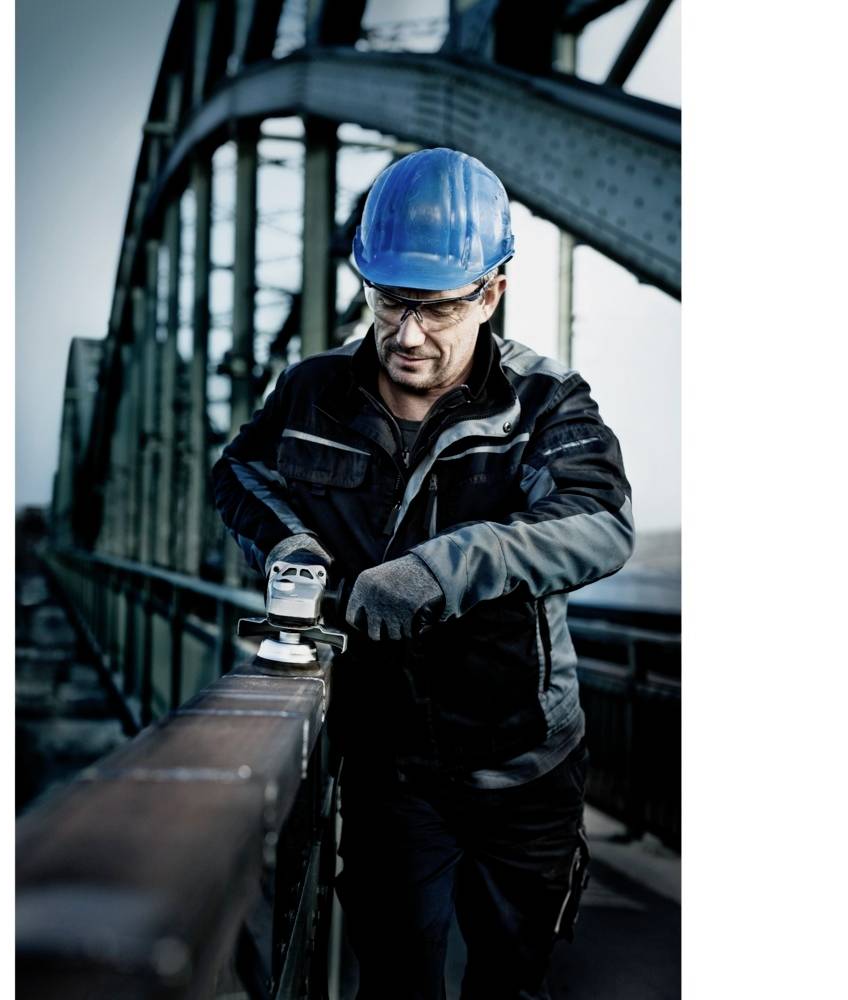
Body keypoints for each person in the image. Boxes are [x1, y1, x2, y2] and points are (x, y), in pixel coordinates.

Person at [212, 147, 633, 999]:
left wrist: (445, 568)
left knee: (510, 986)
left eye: (436, 308)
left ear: (493, 290)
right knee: (398, 983)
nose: (407, 335)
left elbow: (598, 524)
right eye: (388, 301)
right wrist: (290, 541)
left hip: (527, 767)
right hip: (391, 767)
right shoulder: (313, 391)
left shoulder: (545, 402)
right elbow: (239, 474)